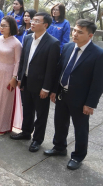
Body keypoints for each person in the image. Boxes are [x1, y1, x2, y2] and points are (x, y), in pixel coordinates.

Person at [44, 19, 103, 170]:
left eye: (80, 32)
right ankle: (59, 147)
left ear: (90, 36)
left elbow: (98, 82)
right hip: (63, 94)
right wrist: (55, 90)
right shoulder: (69, 47)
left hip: (81, 99)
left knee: (80, 128)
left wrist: (90, 103)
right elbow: (60, 70)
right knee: (59, 122)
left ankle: (77, 156)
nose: (75, 34)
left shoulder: (98, 54)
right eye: (74, 30)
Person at [11, 12, 60, 153]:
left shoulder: (52, 43)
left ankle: (37, 140)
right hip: (26, 81)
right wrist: (20, 78)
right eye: (32, 20)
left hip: (41, 86)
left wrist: (46, 88)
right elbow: (23, 61)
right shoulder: (27, 38)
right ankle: (26, 132)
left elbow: (52, 69)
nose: (32, 22)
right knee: (27, 109)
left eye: (37, 21)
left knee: (41, 114)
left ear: (45, 25)